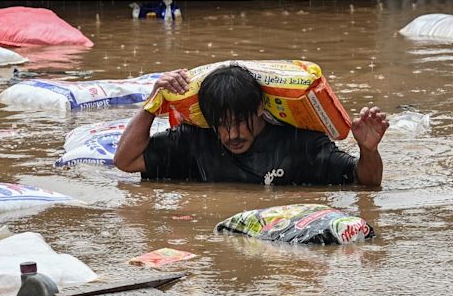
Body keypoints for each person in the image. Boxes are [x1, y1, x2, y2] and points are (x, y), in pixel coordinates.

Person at [114, 65, 389, 186]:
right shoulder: (194, 141)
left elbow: (366, 183)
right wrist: (153, 103)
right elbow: (126, 161)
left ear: (260, 109)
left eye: (238, 122)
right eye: (221, 125)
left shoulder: (300, 144)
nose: (232, 135)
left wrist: (368, 150)